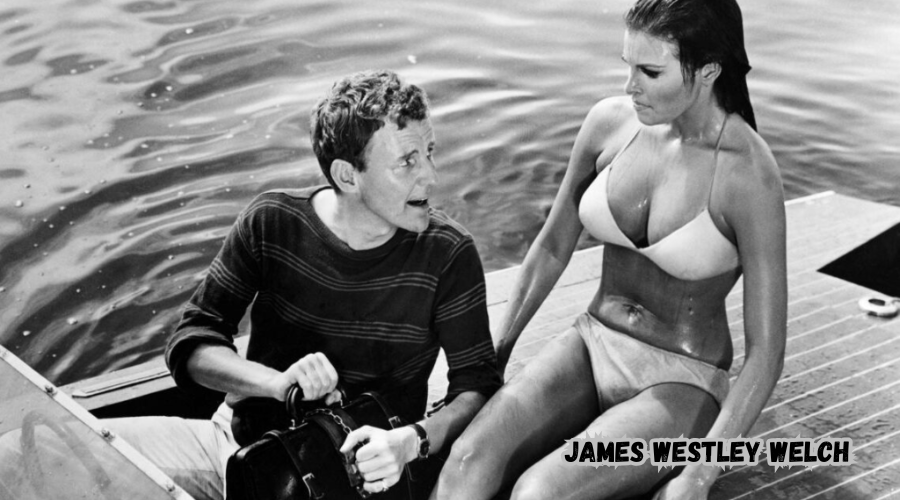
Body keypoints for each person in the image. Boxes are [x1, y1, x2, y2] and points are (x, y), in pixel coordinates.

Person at [434, 0, 786, 499]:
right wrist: (495, 354)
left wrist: (699, 473)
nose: (629, 86)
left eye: (650, 72)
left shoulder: (747, 173)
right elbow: (553, 246)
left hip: (682, 381)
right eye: (628, 66)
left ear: (709, 71)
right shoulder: (609, 125)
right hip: (591, 342)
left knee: (538, 492)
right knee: (466, 461)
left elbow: (767, 353)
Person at [103, 69, 502, 500]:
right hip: (236, 450)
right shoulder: (271, 223)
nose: (431, 176)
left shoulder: (448, 255)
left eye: (429, 152)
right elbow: (191, 345)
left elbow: (477, 388)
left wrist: (410, 442)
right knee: (64, 450)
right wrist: (277, 383)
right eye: (407, 161)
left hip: (355, 482)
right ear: (347, 176)